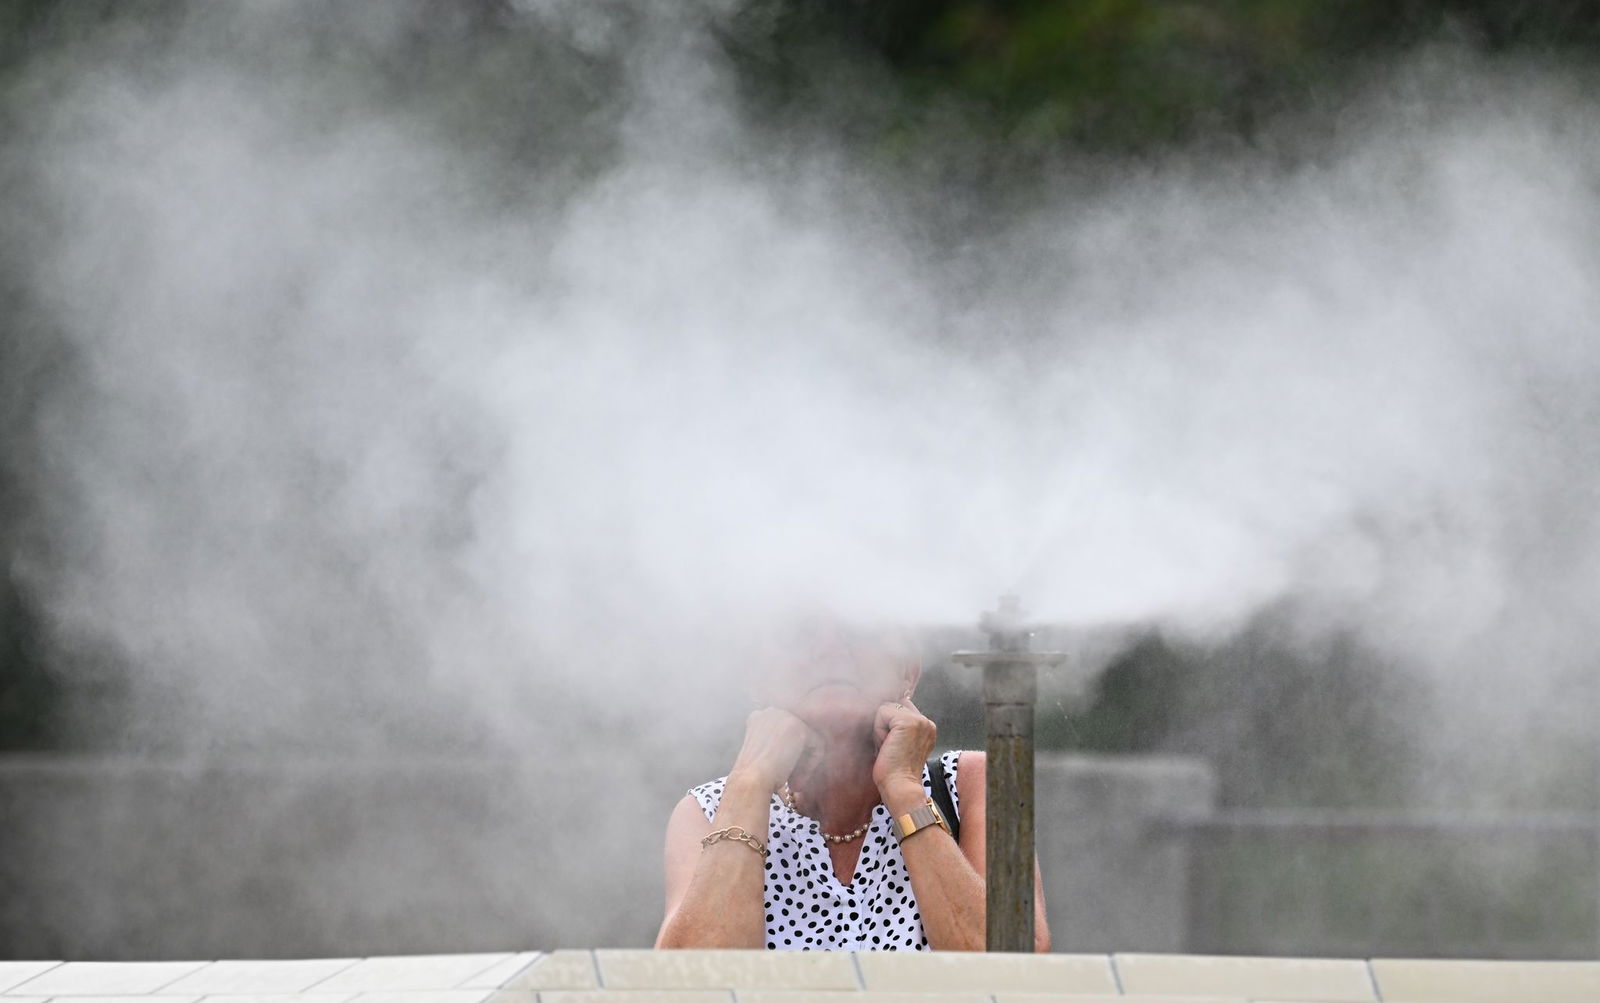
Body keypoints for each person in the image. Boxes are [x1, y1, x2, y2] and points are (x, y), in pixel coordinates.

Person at [655, 618, 1050, 951]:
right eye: (802, 632)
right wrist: (750, 784)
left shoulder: (974, 783)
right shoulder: (706, 810)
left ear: (907, 673)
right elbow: (687, 984)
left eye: (860, 628)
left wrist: (903, 788)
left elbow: (1016, 966)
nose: (831, 650)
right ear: (758, 679)